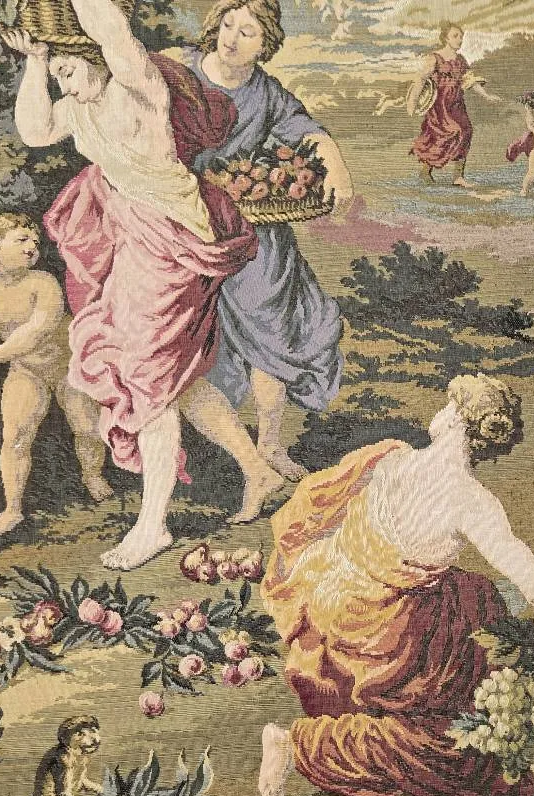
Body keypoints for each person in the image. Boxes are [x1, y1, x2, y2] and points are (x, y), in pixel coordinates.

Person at [256, 374, 534, 796]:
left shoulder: (390, 455)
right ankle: (299, 744)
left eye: (447, 403)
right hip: (378, 633)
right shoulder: (471, 501)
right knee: (457, 747)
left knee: (473, 595)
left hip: (329, 595)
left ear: (456, 418)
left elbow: (319, 512)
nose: (437, 411)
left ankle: (390, 689)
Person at [1, 0, 279, 571]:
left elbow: (111, 30)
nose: (65, 86)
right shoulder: (79, 105)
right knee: (168, 378)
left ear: (94, 56)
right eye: (59, 78)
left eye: (68, 71)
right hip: (131, 242)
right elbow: (34, 129)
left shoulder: (138, 87)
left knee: (147, 377)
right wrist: (37, 62)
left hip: (172, 242)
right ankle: (258, 470)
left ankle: (153, 526)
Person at [165, 0, 353, 484]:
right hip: (184, 225)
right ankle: (188, 451)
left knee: (272, 336)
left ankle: (269, 444)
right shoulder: (179, 69)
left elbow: (308, 132)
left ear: (265, 44)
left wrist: (335, 165)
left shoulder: (267, 94)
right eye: (228, 25)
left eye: (247, 32)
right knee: (176, 334)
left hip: (252, 233)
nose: (231, 38)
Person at [0, 212, 111, 535]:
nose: (31, 247)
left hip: (69, 367)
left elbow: (35, 332)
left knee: (87, 428)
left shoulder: (43, 282)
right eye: (21, 240)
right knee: (15, 436)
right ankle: (12, 509)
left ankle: (92, 475)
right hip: (26, 371)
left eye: (35, 242)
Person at [407, 23, 501, 188]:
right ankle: (425, 171)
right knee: (442, 136)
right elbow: (421, 80)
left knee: (466, 131)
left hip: (457, 103)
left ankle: (458, 177)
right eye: (455, 36)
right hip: (439, 105)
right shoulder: (435, 58)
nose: (460, 40)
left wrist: (486, 95)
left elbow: (470, 81)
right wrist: (412, 101)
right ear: (446, 38)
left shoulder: (461, 60)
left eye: (461, 36)